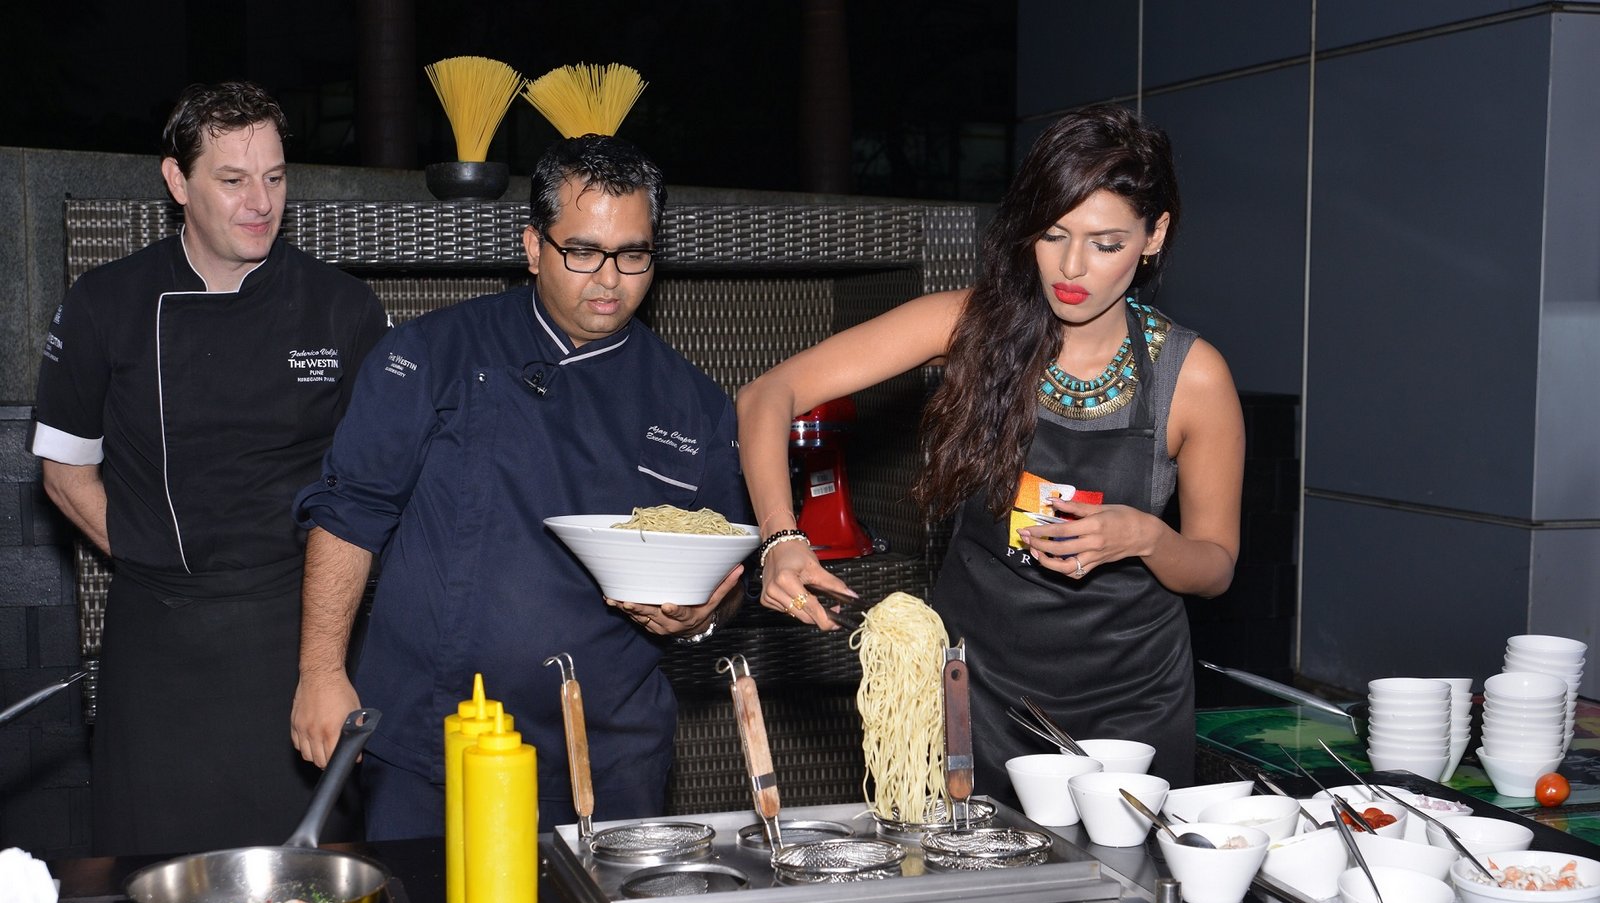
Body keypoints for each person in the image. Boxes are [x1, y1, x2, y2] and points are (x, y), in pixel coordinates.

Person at [737, 105, 1243, 797]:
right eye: (1053, 234)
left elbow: (1214, 566)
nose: (1071, 267)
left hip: (1131, 709)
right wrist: (780, 535)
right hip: (978, 694)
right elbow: (768, 394)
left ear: (1153, 236)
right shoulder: (971, 325)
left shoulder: (1193, 377)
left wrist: (1147, 537)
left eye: (1105, 244)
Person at [292, 134, 748, 839]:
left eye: (633, 254)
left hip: (611, 754)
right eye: (583, 252)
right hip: (438, 743)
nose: (610, 279)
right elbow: (349, 514)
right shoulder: (431, 354)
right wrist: (321, 672)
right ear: (534, 246)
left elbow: (727, 562)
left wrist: (704, 616)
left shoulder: (695, 404)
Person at [27, 82, 389, 856]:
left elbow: (372, 488)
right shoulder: (104, 303)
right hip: (159, 646)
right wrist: (153, 556)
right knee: (147, 881)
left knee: (310, 883)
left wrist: (326, 658)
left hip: (299, 636)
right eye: (232, 179)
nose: (260, 202)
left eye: (275, 177)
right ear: (177, 181)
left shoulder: (344, 308)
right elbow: (63, 471)